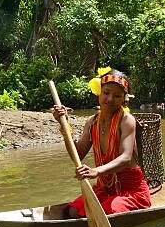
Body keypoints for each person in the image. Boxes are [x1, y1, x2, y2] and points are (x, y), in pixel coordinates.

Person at [51, 69, 151, 218]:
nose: (110, 99)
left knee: (107, 211)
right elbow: (77, 155)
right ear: (99, 93)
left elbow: (126, 158)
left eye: (117, 96)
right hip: (105, 187)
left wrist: (96, 171)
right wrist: (64, 126)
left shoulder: (126, 120)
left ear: (124, 99)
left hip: (131, 191)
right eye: (106, 92)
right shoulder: (92, 122)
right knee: (72, 211)